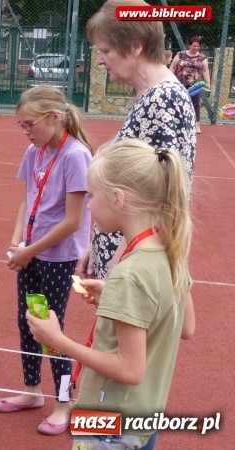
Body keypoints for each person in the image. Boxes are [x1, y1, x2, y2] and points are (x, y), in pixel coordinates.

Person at [27, 139, 196, 450]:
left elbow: (130, 370)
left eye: (92, 196)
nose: (88, 205)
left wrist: (57, 339)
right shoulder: (170, 252)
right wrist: (114, 298)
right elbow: (185, 327)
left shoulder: (128, 274)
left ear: (118, 198)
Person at [0, 85, 93, 436]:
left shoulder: (76, 156)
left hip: (57, 257)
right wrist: (18, 239)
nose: (26, 131)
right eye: (21, 125)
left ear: (54, 117)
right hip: (31, 251)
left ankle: (65, 402)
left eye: (29, 123)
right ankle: (32, 391)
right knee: (28, 323)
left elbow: (73, 221)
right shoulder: (34, 152)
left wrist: (29, 251)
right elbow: (27, 199)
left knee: (52, 332)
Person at [79, 0, 196, 281]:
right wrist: (98, 243)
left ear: (134, 45)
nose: (99, 60)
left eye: (105, 50)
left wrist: (118, 271)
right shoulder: (151, 95)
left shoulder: (161, 100)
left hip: (134, 266)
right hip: (130, 258)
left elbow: (154, 202)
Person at [170, 35, 210, 134]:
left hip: (195, 85)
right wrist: (169, 79)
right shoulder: (181, 54)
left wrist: (208, 82)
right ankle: (178, 124)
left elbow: (205, 70)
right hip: (180, 83)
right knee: (179, 103)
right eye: (194, 46)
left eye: (198, 46)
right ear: (189, 45)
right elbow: (172, 67)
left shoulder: (202, 57)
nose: (196, 48)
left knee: (195, 104)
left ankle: (197, 125)